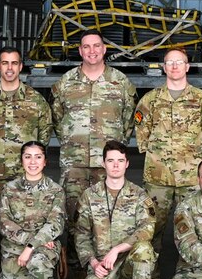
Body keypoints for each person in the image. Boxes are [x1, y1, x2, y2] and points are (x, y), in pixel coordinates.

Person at [133, 47, 202, 279]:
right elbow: (142, 134)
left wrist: (199, 163)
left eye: (179, 62)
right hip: (157, 177)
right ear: (163, 67)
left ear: (187, 66)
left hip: (191, 177)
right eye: (169, 62)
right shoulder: (149, 100)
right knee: (152, 230)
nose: (174, 67)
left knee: (195, 229)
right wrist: (157, 156)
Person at [50, 31, 137, 217]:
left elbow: (129, 120)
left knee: (109, 216)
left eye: (96, 45)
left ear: (104, 49)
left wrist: (116, 149)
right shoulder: (66, 82)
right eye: (86, 46)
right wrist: (70, 141)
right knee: (73, 215)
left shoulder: (120, 82)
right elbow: (57, 119)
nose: (92, 51)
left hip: (107, 164)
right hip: (74, 163)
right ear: (80, 51)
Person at [74, 142, 155, 279]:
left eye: (120, 160)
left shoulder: (139, 195)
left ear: (127, 163)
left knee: (144, 250)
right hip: (103, 262)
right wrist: (93, 262)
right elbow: (81, 234)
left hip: (129, 259)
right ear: (103, 164)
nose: (116, 165)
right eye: (111, 161)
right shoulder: (89, 196)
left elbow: (147, 229)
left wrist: (117, 249)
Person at [0, 46, 53, 202]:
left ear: (20, 66)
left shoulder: (36, 101)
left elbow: (44, 136)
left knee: (24, 220)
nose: (9, 68)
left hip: (25, 174)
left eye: (14, 63)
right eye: (5, 63)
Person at [0, 141, 67, 279]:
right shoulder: (9, 189)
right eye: (28, 157)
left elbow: (55, 223)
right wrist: (31, 241)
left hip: (43, 250)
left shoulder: (55, 190)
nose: (33, 162)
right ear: (21, 161)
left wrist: (31, 247)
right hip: (15, 249)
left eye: (38, 157)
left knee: (38, 263)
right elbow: (4, 223)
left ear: (45, 161)